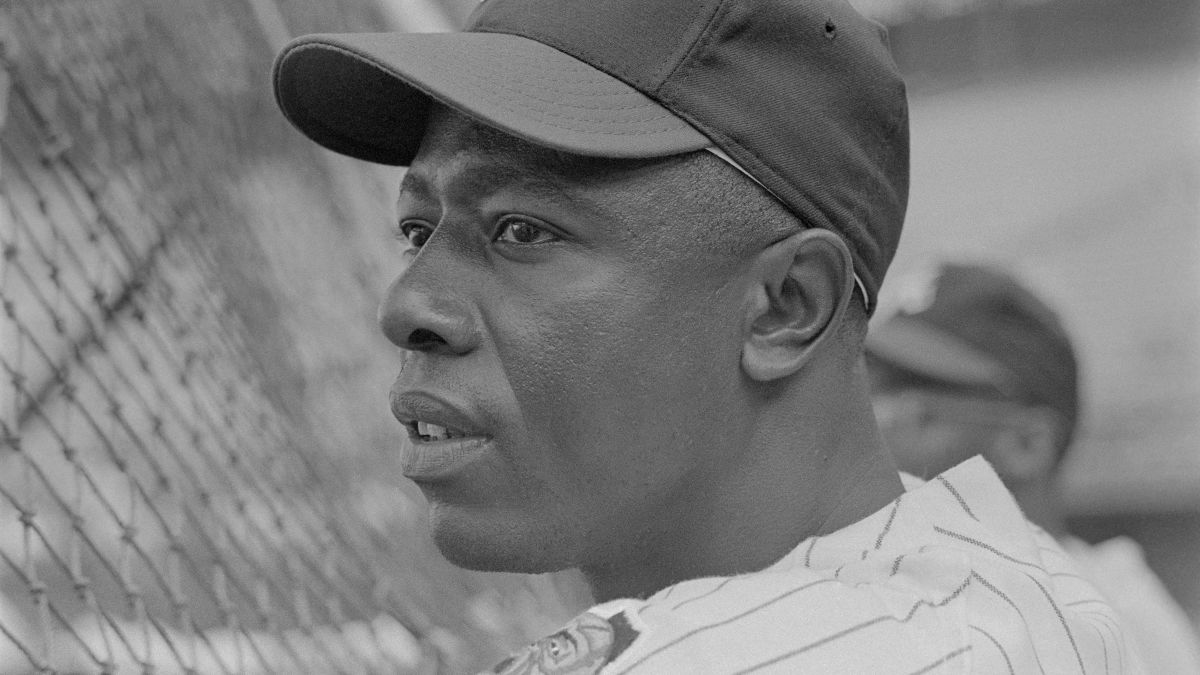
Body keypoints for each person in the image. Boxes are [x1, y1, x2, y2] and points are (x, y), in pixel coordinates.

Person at [271, 0, 1140, 671]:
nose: (408, 304)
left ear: (785, 305)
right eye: (418, 231)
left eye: (523, 230)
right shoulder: (979, 585)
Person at [868, 261, 1200, 674]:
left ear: (1026, 444)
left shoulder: (1112, 638)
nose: (867, 427)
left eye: (910, 409)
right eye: (861, 391)